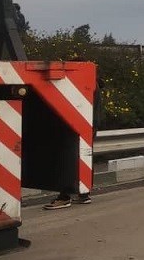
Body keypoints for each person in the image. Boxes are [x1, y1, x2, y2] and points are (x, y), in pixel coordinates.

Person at [45, 78, 104, 209]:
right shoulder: (93, 83)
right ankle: (83, 194)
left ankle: (64, 196)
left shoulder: (83, 82)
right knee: (83, 156)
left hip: (81, 124)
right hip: (90, 124)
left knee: (69, 157)